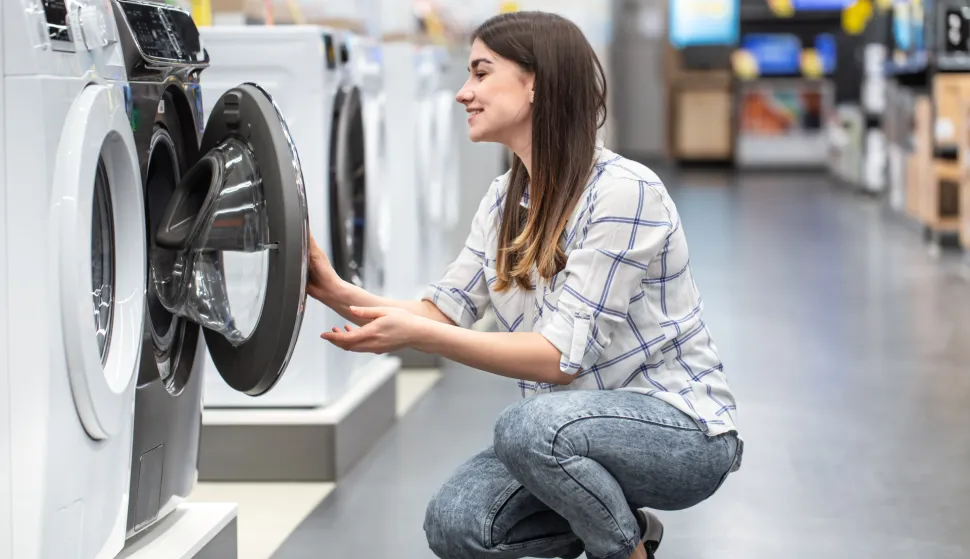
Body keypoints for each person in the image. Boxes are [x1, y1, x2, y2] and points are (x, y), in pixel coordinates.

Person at [306, 11, 742, 559]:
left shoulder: (625, 192)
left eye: (481, 73)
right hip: (567, 432)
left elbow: (558, 360)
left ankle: (623, 550)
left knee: (525, 428)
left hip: (680, 432)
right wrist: (334, 290)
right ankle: (625, 525)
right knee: (457, 522)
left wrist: (418, 337)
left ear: (535, 82)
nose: (463, 93)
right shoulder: (502, 200)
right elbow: (442, 310)